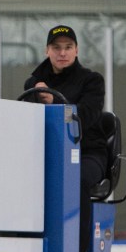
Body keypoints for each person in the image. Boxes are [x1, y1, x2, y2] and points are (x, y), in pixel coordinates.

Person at [23, 24, 107, 193]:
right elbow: (26, 120)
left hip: (86, 152)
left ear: (76, 50)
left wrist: (54, 102)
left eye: (68, 47)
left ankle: (79, 220)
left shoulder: (92, 81)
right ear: (47, 50)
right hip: (46, 152)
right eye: (56, 48)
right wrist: (35, 93)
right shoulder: (33, 85)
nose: (62, 53)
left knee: (77, 178)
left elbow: (83, 117)